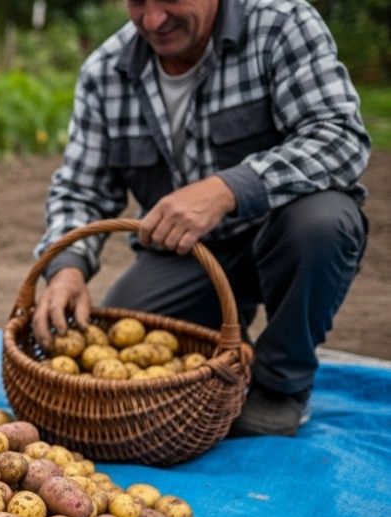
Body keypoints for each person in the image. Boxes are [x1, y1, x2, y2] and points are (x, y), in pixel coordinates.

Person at [33, 0, 370, 437]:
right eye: (137, 2)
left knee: (322, 222)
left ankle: (280, 383)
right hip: (186, 253)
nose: (153, 20)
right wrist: (67, 267)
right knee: (127, 330)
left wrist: (229, 188)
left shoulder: (280, 25)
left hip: (281, 235)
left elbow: (340, 137)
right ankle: (231, 353)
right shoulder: (106, 72)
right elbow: (80, 190)